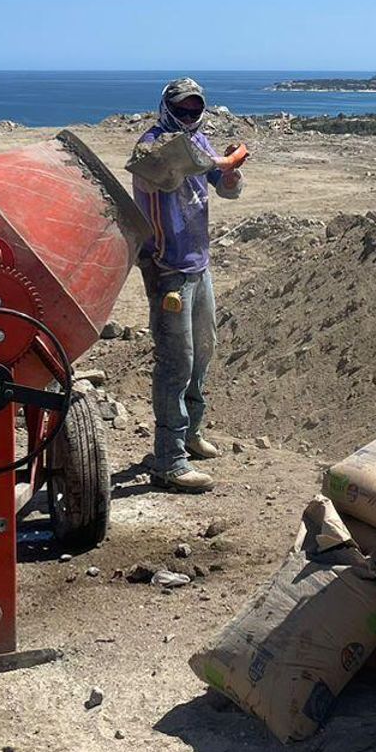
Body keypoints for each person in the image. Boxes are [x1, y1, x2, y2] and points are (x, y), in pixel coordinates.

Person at [126, 78, 249, 493]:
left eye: (196, 109)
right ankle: (168, 459)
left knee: (202, 353)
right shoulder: (151, 148)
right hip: (167, 268)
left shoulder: (200, 142)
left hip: (199, 264)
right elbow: (175, 169)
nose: (190, 115)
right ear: (167, 107)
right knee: (176, 361)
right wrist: (221, 163)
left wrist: (230, 176)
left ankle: (190, 433)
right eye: (183, 108)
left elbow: (223, 187)